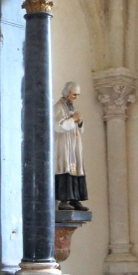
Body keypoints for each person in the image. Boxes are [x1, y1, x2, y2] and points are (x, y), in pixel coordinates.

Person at [54, 81, 88, 211]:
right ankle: (64, 200)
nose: (76, 97)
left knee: (76, 168)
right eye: (74, 94)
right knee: (66, 168)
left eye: (77, 95)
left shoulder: (72, 108)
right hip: (64, 145)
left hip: (74, 145)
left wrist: (79, 122)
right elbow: (58, 126)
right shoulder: (58, 107)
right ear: (68, 93)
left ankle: (75, 199)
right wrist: (73, 119)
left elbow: (80, 128)